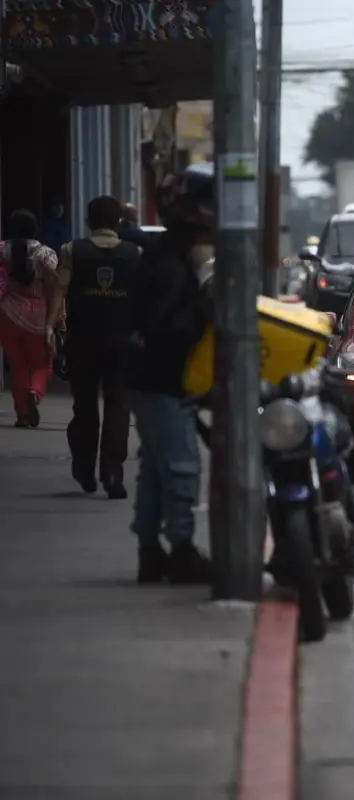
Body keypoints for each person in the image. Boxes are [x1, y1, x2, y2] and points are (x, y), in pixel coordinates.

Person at [125, 164, 215, 584]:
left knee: (156, 467)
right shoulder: (169, 268)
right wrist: (206, 307)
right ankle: (180, 550)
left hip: (152, 380)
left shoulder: (168, 260)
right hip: (162, 381)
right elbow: (164, 328)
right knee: (180, 467)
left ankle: (150, 551)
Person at [59, 195, 141, 498]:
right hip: (123, 343)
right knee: (119, 406)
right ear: (119, 222)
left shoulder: (72, 251)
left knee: (84, 407)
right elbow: (143, 300)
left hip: (82, 342)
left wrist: (51, 330)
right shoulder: (136, 254)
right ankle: (111, 472)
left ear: (88, 221)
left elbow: (59, 293)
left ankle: (84, 467)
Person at [0, 209, 63, 427]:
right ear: (36, 229)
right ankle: (34, 393)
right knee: (43, 365)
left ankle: (22, 415)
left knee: (17, 366)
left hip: (7, 314)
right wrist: (58, 321)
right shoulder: (46, 254)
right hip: (38, 316)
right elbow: (56, 288)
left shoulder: (2, 250)